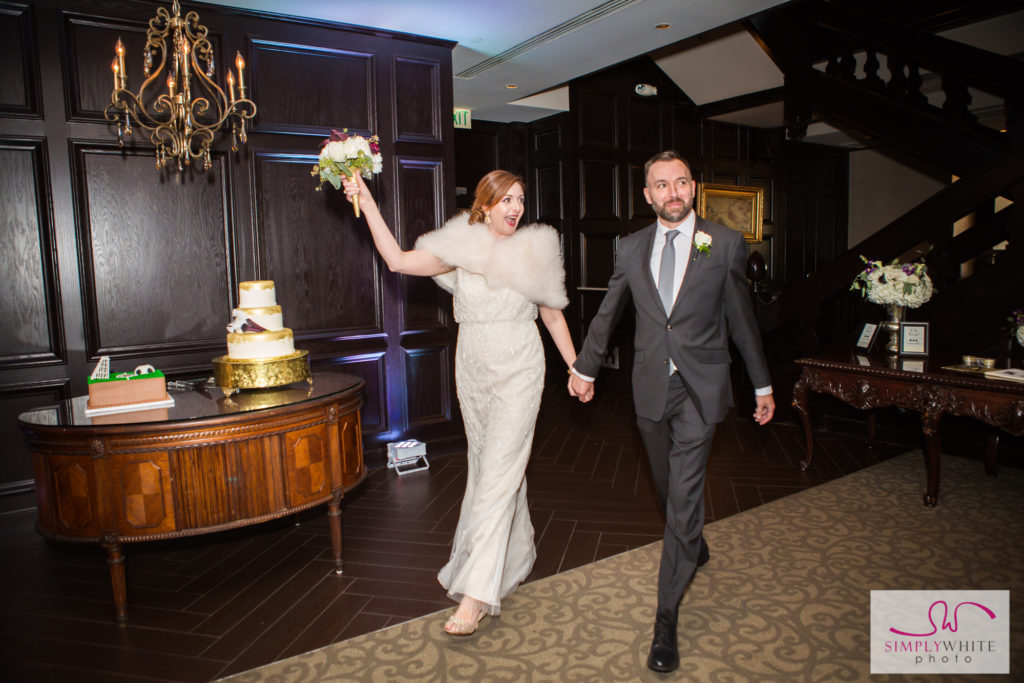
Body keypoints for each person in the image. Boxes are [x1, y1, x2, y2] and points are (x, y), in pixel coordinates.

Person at [342, 169, 579, 636]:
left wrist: (576, 368)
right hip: (472, 370)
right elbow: (397, 261)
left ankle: (475, 596)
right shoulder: (461, 248)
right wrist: (367, 202)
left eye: (520, 199)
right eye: (505, 200)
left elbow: (552, 315)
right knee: (493, 467)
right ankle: (516, 556)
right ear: (484, 205)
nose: (515, 208)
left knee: (499, 472)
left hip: (520, 369)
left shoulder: (535, 250)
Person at [568, 150, 774, 673]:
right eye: (662, 185)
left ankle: (666, 619)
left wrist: (763, 384)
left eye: (681, 183)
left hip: (704, 389)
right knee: (665, 484)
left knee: (682, 496)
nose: (673, 193)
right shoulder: (631, 248)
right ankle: (692, 540)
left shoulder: (723, 243)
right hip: (651, 388)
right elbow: (609, 312)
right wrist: (585, 368)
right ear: (648, 195)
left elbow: (743, 321)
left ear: (693, 188)